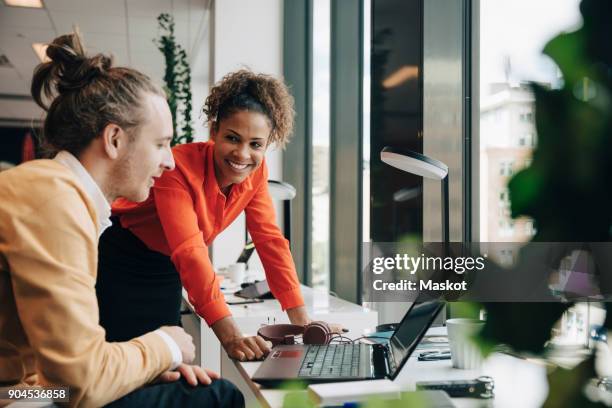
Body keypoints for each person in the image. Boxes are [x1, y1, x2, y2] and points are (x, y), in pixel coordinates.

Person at [0, 32, 243, 408]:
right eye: (161, 143)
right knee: (218, 397)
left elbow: (67, 375)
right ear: (114, 139)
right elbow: (80, 384)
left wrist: (141, 369)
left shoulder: (64, 196)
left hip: (29, 390)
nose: (170, 161)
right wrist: (165, 345)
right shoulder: (53, 200)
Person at [97, 70, 338, 361]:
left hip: (167, 267)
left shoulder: (257, 172)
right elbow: (190, 251)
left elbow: (270, 240)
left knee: (166, 364)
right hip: (122, 257)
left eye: (256, 144)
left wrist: (302, 320)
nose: (242, 154)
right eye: (233, 138)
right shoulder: (178, 168)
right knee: (121, 362)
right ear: (214, 130)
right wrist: (231, 336)